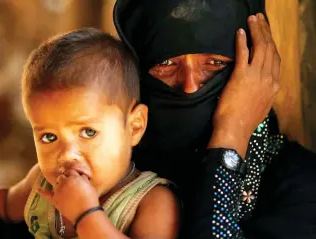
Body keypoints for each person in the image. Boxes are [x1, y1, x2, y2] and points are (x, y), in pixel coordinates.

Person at [113, 0, 316, 238]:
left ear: (259, 66)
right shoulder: (107, 177)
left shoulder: (301, 187)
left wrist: (230, 135)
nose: (190, 87)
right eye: (166, 64)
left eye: (215, 63)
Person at [0, 28, 180, 239]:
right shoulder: (40, 184)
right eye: (49, 137)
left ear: (134, 126)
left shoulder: (151, 202)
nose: (67, 154)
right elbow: (4, 204)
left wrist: (86, 215)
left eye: (88, 132)